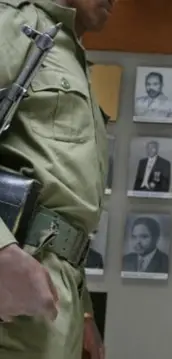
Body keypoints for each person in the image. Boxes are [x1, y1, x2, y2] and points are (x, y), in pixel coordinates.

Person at [0, 0, 111, 357]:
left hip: (57, 292)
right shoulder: (11, 21)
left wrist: (84, 309)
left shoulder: (67, 49)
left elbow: (64, 212)